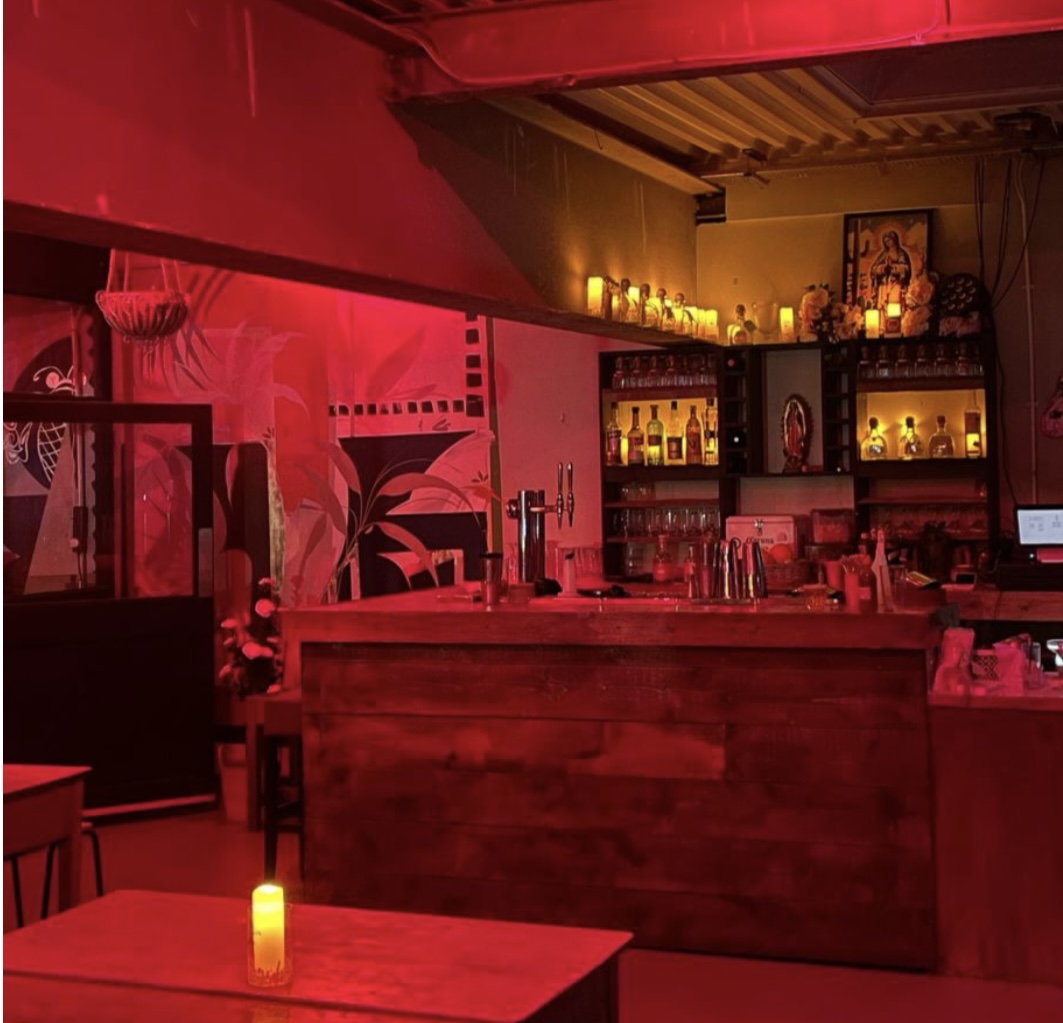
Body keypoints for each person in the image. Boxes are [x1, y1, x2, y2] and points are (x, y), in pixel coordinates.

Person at [869, 229, 912, 311]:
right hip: (883, 285)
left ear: (894, 240)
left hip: (896, 283)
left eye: (889, 240)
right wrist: (882, 268)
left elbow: (906, 268)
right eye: (886, 241)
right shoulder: (884, 254)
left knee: (895, 304)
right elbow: (874, 269)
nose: (888, 243)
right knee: (882, 306)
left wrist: (893, 267)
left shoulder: (901, 253)